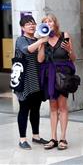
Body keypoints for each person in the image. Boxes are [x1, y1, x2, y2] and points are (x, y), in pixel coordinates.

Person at [38, 13, 76, 150]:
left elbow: (73, 58)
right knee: (53, 107)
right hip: (49, 77)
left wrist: (69, 50)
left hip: (62, 76)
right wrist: (42, 42)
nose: (48, 24)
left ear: (55, 23)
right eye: (45, 22)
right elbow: (40, 60)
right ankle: (53, 138)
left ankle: (63, 138)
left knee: (62, 107)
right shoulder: (43, 39)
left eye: (50, 21)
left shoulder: (64, 36)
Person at [15, 15, 49, 150]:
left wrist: (42, 42)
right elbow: (27, 50)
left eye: (33, 23)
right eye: (28, 24)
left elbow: (41, 58)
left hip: (36, 80)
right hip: (24, 81)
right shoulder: (21, 40)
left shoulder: (37, 40)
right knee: (23, 110)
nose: (32, 25)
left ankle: (36, 136)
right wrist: (41, 41)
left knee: (35, 109)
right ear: (23, 27)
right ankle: (22, 139)